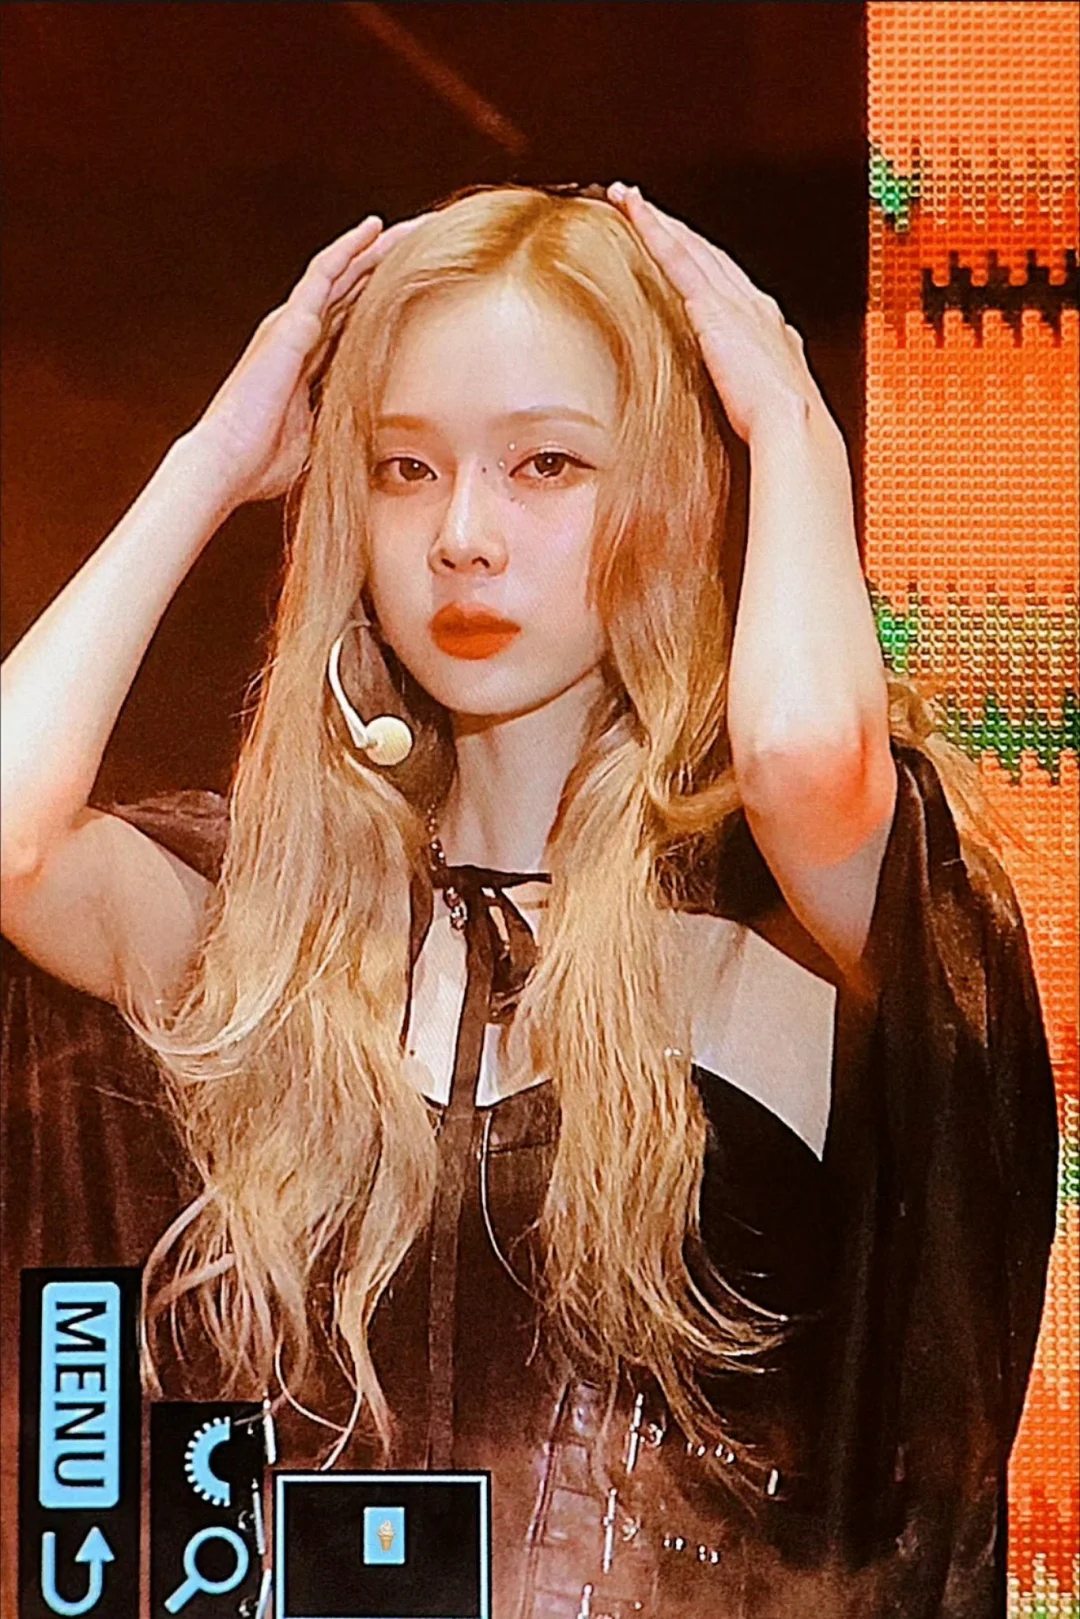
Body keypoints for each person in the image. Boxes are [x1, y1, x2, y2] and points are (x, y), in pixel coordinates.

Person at [0, 182, 1058, 1618]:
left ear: (672, 486)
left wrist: (793, 433)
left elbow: (806, 755)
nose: (463, 536)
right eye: (404, 468)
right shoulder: (267, 923)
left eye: (547, 464)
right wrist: (210, 462)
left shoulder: (789, 922)